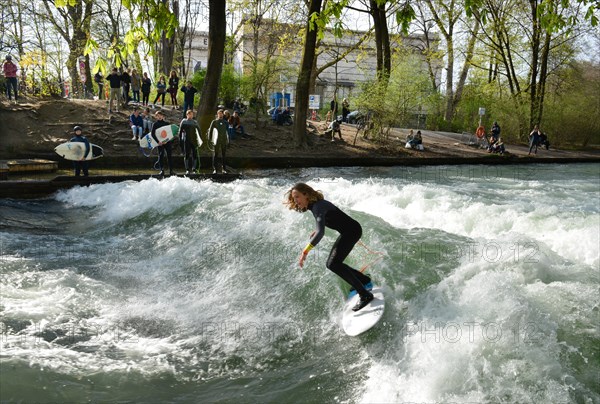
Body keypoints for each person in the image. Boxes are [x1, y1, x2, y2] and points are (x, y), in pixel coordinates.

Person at [285, 183, 374, 312]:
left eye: (297, 197)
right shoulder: (315, 206)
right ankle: (363, 279)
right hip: (349, 231)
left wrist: (305, 251)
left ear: (306, 195)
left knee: (333, 264)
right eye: (294, 198)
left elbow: (321, 232)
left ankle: (365, 295)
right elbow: (324, 222)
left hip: (352, 231)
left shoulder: (317, 206)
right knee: (334, 263)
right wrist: (316, 230)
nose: (295, 201)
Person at [151, 110, 174, 176]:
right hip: (160, 143)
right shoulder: (155, 124)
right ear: (156, 117)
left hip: (167, 142)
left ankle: (171, 171)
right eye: (158, 116)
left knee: (169, 156)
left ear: (163, 116)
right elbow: (153, 134)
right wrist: (158, 142)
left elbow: (170, 133)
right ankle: (162, 170)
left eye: (160, 115)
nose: (159, 117)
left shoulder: (167, 124)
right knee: (161, 156)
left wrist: (167, 140)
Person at [179, 109, 202, 175]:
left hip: (194, 141)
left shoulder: (195, 122)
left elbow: (199, 131)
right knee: (187, 154)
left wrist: (200, 140)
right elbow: (180, 132)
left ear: (192, 115)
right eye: (189, 114)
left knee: (194, 154)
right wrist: (180, 139)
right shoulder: (183, 121)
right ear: (187, 115)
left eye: (191, 114)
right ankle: (187, 169)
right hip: (186, 140)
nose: (190, 115)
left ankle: (194, 169)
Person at [209, 109, 229, 174]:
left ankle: (224, 169)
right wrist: (210, 140)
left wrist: (229, 141)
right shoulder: (214, 122)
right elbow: (211, 131)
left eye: (221, 113)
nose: (220, 115)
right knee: (215, 155)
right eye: (219, 113)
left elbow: (227, 132)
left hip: (223, 140)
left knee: (224, 155)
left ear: (223, 114)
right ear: (217, 114)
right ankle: (215, 169)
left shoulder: (226, 122)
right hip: (216, 140)